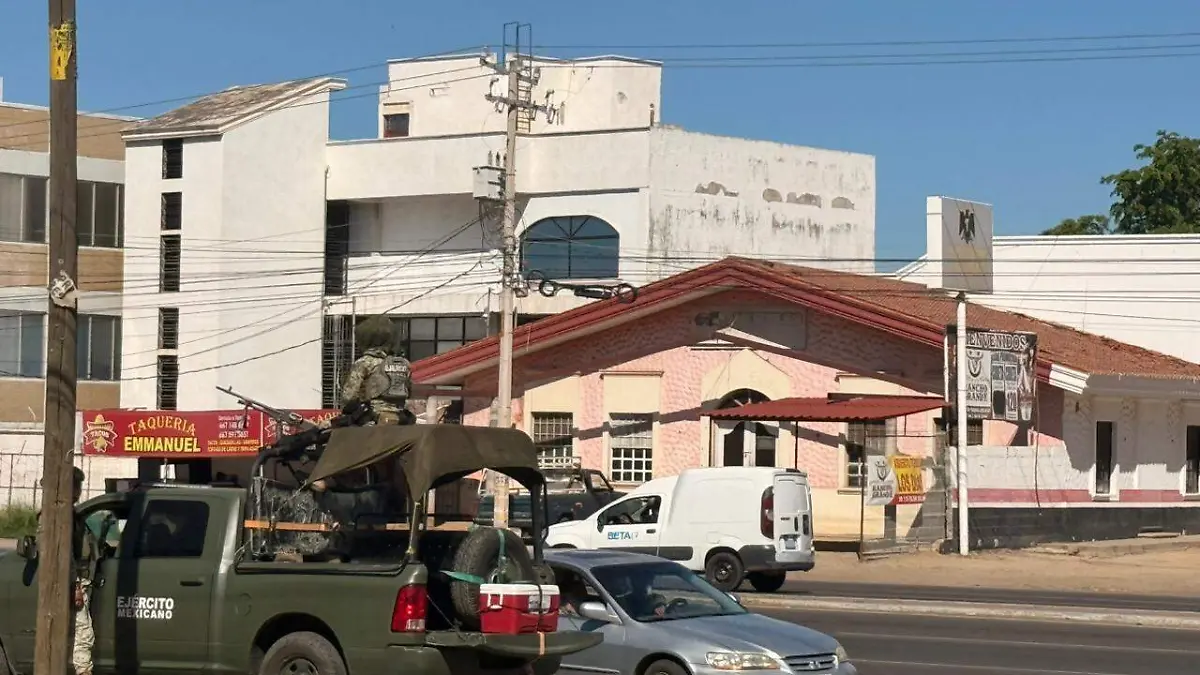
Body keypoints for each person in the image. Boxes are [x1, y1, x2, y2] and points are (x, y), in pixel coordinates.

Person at [36, 467, 97, 675]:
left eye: (79, 486)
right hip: (70, 580)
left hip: (81, 578)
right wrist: (75, 585)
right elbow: (62, 555)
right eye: (75, 486)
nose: (78, 491)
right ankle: (82, 670)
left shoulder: (71, 514)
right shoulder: (55, 516)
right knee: (82, 630)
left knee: (78, 629)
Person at [340, 315, 415, 426]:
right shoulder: (404, 364)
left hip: (371, 418)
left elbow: (349, 397)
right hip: (401, 418)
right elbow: (409, 392)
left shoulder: (364, 363)